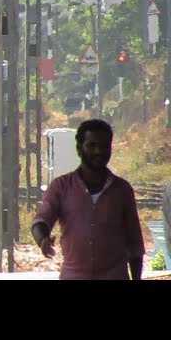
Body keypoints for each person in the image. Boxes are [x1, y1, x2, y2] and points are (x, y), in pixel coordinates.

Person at [31, 118, 145, 280]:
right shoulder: (61, 186)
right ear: (79, 149)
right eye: (92, 145)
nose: (99, 151)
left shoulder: (122, 190)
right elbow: (41, 221)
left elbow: (134, 242)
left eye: (104, 146)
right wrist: (42, 239)